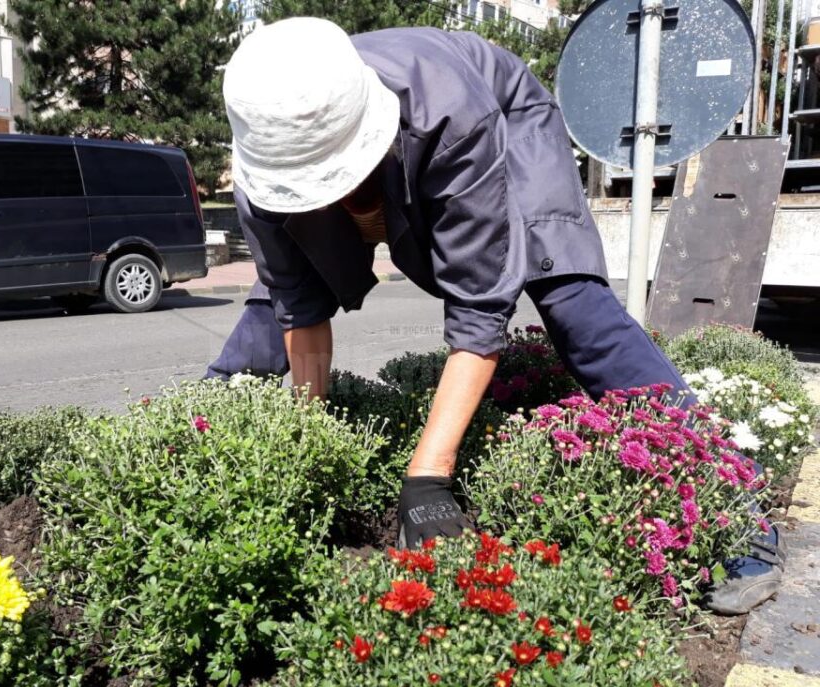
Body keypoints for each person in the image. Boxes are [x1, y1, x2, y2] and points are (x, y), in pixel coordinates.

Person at [213, 17, 784, 614]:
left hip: (502, 117)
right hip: (357, 137)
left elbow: (481, 304)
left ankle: (738, 510)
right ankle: (206, 416)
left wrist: (428, 475)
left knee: (568, 296)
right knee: (276, 300)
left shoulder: (450, 112)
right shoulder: (267, 152)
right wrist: (310, 441)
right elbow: (298, 310)